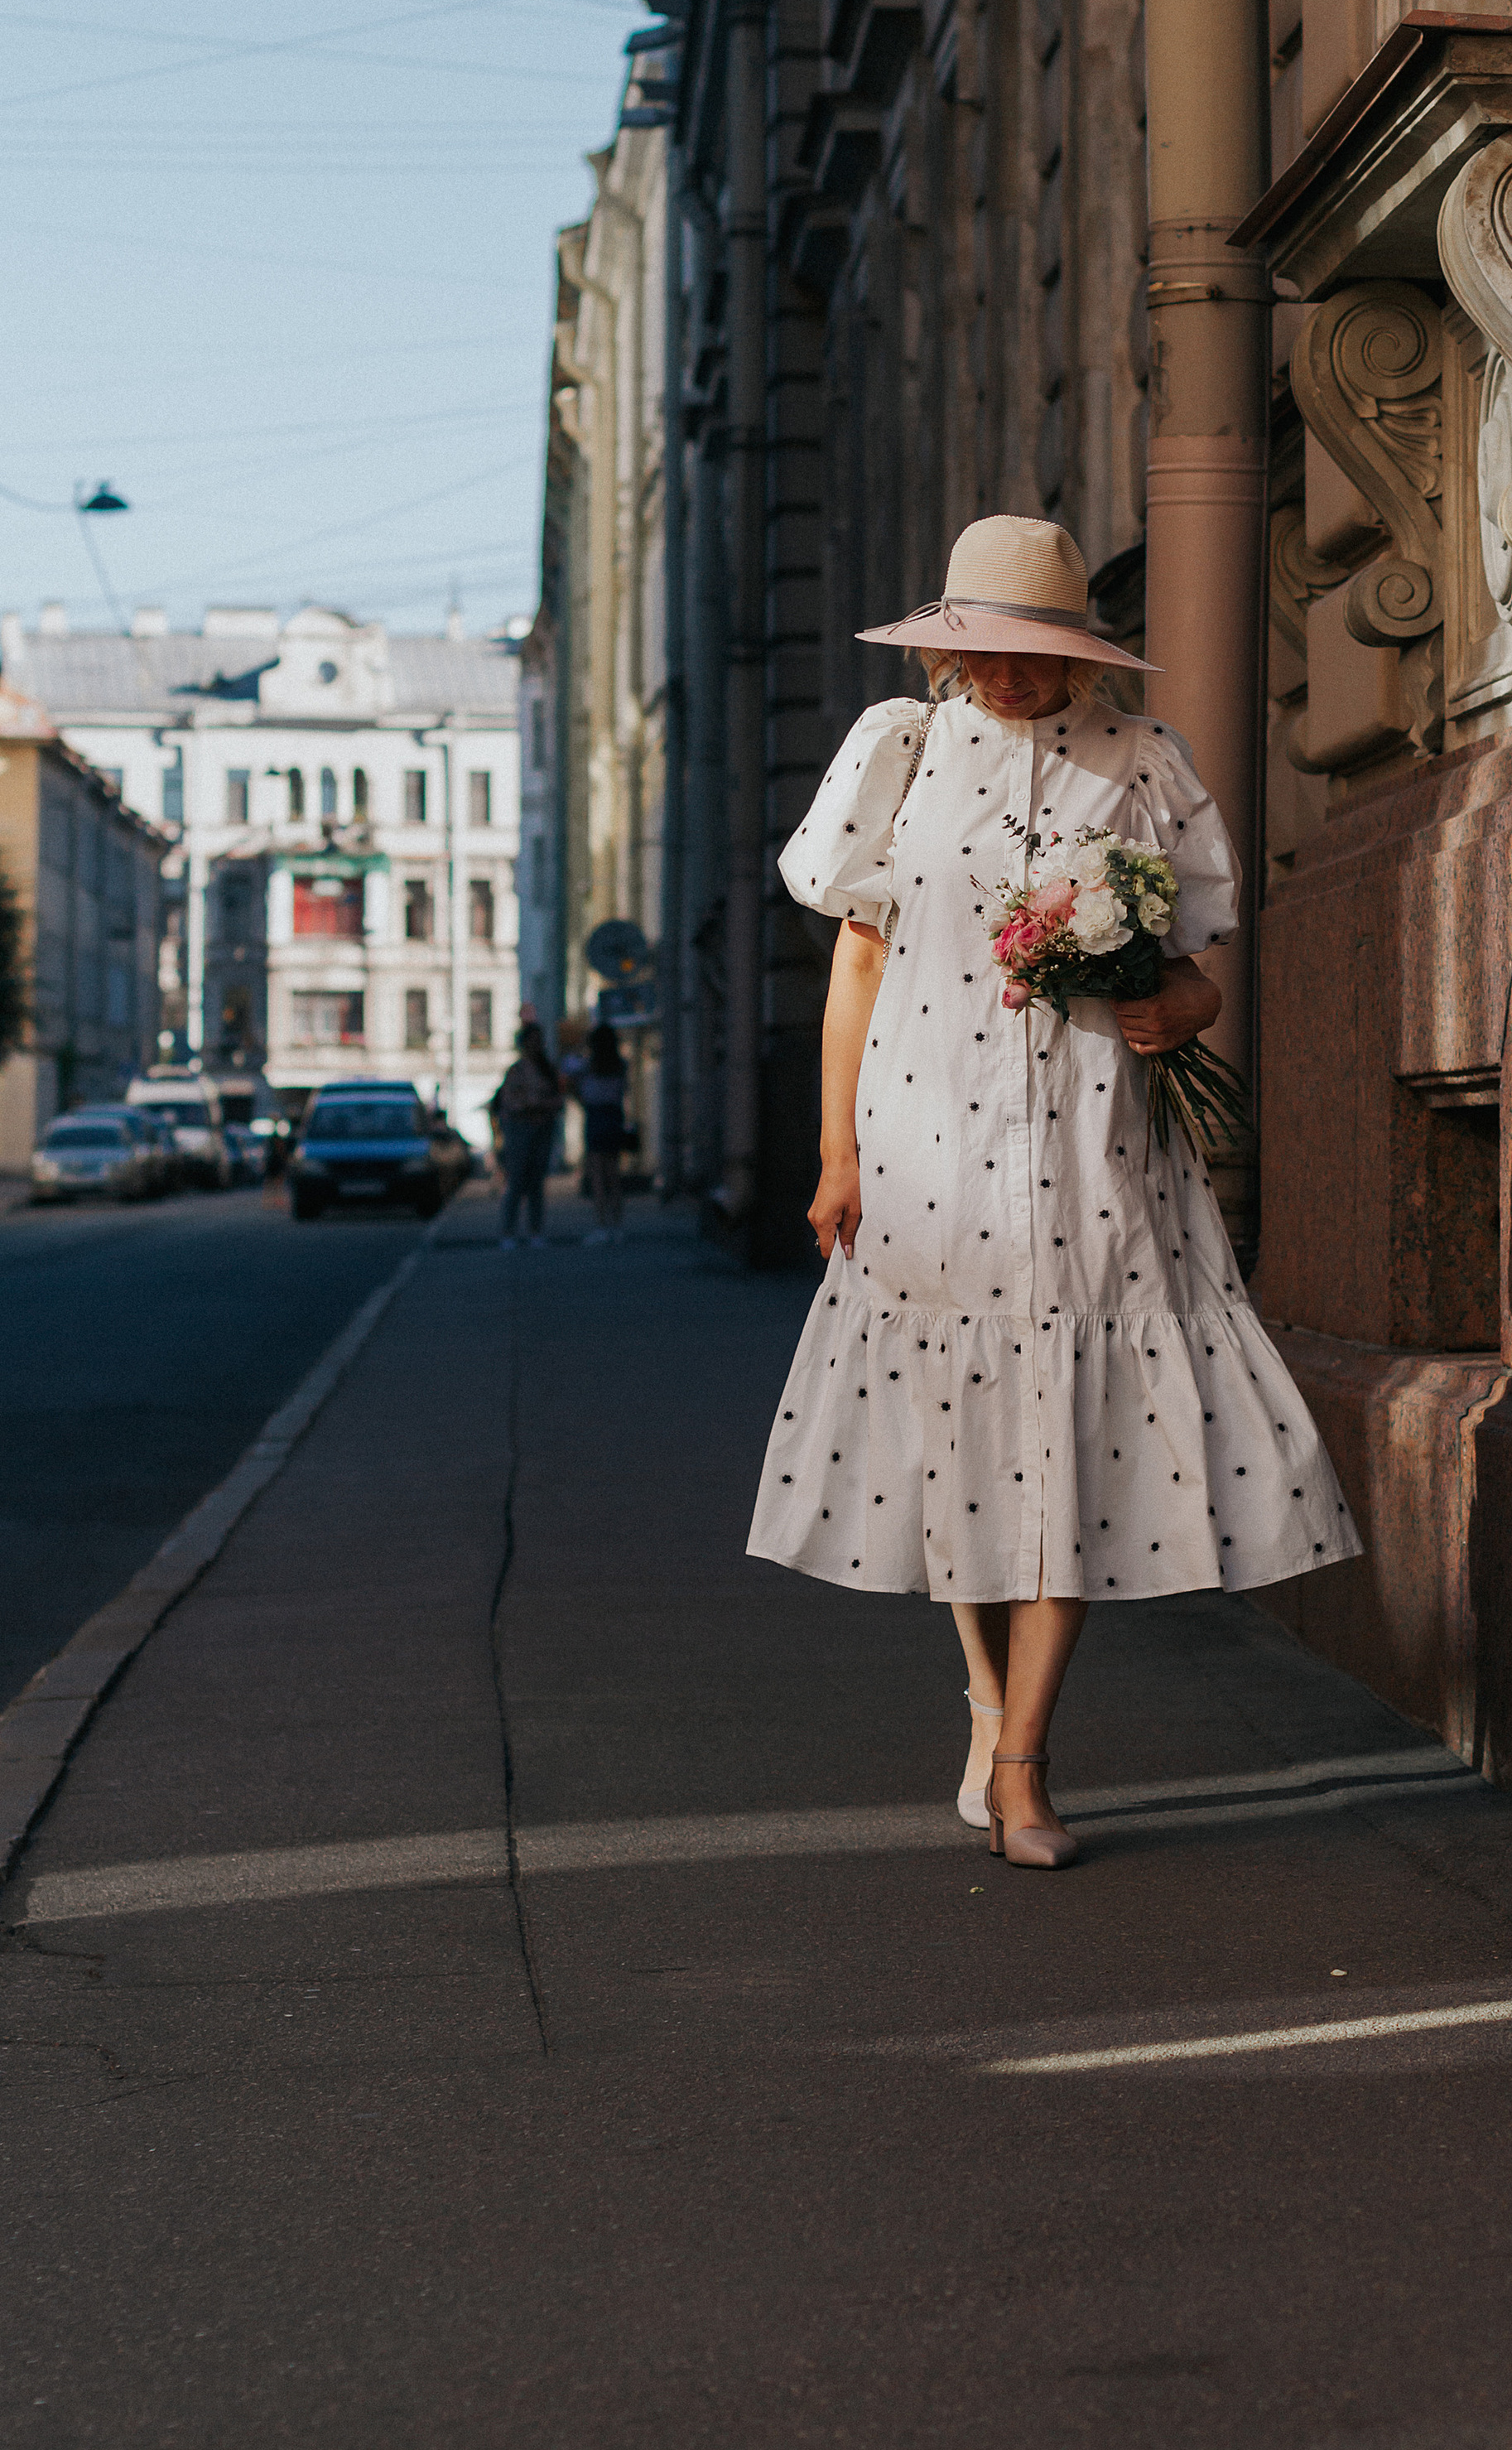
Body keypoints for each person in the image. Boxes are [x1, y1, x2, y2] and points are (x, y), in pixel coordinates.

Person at [744, 514, 1362, 1869]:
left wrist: (1174, 1011)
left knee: (1071, 1436)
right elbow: (857, 962)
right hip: (923, 1140)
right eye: (982, 653)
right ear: (947, 651)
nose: (1008, 679)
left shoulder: (1144, 763)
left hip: (1096, 1143)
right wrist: (840, 1155)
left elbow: (1199, 969)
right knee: (953, 1436)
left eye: (1032, 653)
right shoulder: (896, 754)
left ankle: (1025, 1765)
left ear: (1079, 649)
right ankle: (984, 1700)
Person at [491, 1020, 565, 1249]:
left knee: (536, 1183)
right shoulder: (516, 1071)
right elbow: (511, 1102)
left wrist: (540, 1105)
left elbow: (557, 1100)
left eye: (539, 1042)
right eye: (532, 1042)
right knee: (516, 1180)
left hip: (542, 1129)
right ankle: (508, 1231)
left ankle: (536, 1230)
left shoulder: (548, 1070)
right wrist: (533, 1105)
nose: (536, 1046)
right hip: (520, 1131)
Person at [573, 1021, 629, 1244]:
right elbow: (623, 1091)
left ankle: (602, 1225)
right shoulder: (620, 1065)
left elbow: (582, 1093)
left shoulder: (588, 1066)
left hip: (596, 1117)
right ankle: (617, 1226)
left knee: (598, 1174)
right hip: (614, 1116)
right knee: (614, 1173)